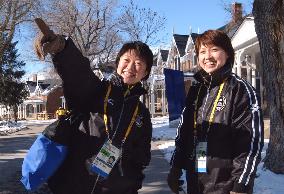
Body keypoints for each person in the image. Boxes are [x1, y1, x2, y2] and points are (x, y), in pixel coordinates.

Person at [22, 19, 153, 194]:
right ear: (117, 63)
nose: (130, 67)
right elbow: (78, 74)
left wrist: (131, 184)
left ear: (145, 73)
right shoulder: (97, 90)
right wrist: (62, 49)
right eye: (126, 60)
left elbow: (141, 158)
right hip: (75, 184)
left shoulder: (142, 114)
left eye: (138, 63)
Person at [167, 30, 264, 194]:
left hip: (226, 185)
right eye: (202, 52)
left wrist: (241, 185)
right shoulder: (197, 90)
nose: (207, 56)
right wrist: (176, 167)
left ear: (227, 54)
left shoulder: (240, 90)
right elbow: (185, 132)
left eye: (214, 50)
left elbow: (250, 144)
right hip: (195, 181)